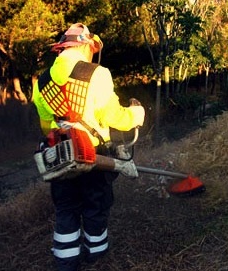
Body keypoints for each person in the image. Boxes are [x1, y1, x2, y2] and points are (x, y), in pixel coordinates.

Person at [32, 23, 145, 271]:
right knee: (96, 205)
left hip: (61, 155)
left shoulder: (41, 81)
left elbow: (45, 126)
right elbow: (113, 116)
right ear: (85, 45)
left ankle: (66, 260)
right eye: (91, 48)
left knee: (66, 207)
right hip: (94, 154)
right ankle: (97, 256)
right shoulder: (97, 73)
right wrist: (136, 115)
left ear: (63, 48)